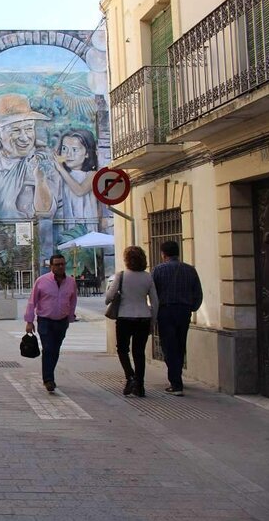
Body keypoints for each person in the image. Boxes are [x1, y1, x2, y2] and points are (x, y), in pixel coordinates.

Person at [0, 94, 64, 266]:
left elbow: (46, 212)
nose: (24, 137)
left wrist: (40, 179)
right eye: (16, 130)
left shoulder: (43, 158)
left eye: (29, 129)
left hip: (31, 243)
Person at [105, 246, 159, 397]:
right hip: (143, 318)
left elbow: (108, 298)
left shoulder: (121, 276)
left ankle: (130, 376)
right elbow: (155, 302)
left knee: (122, 349)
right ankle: (140, 386)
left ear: (126, 260)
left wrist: (114, 294)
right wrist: (152, 321)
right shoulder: (148, 277)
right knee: (139, 352)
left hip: (124, 317)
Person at [152, 240, 203, 396]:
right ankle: (177, 377)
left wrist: (154, 311)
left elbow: (153, 293)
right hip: (184, 311)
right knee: (180, 344)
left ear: (163, 254)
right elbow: (198, 293)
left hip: (166, 311)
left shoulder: (158, 270)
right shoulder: (190, 270)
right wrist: (191, 307)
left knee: (168, 346)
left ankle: (176, 383)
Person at [24, 254, 77, 393]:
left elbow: (73, 300)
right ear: (51, 266)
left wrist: (70, 317)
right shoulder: (42, 281)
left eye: (62, 264)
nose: (60, 267)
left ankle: (49, 376)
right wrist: (29, 321)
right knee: (48, 348)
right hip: (45, 320)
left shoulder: (71, 282)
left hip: (62, 321)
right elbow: (32, 301)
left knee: (55, 349)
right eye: (57, 264)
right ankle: (48, 379)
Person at [53, 129, 100, 229]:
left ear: (87, 153)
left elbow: (80, 191)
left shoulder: (92, 174)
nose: (68, 154)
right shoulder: (59, 174)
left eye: (75, 150)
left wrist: (61, 168)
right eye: (64, 149)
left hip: (86, 226)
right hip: (66, 225)